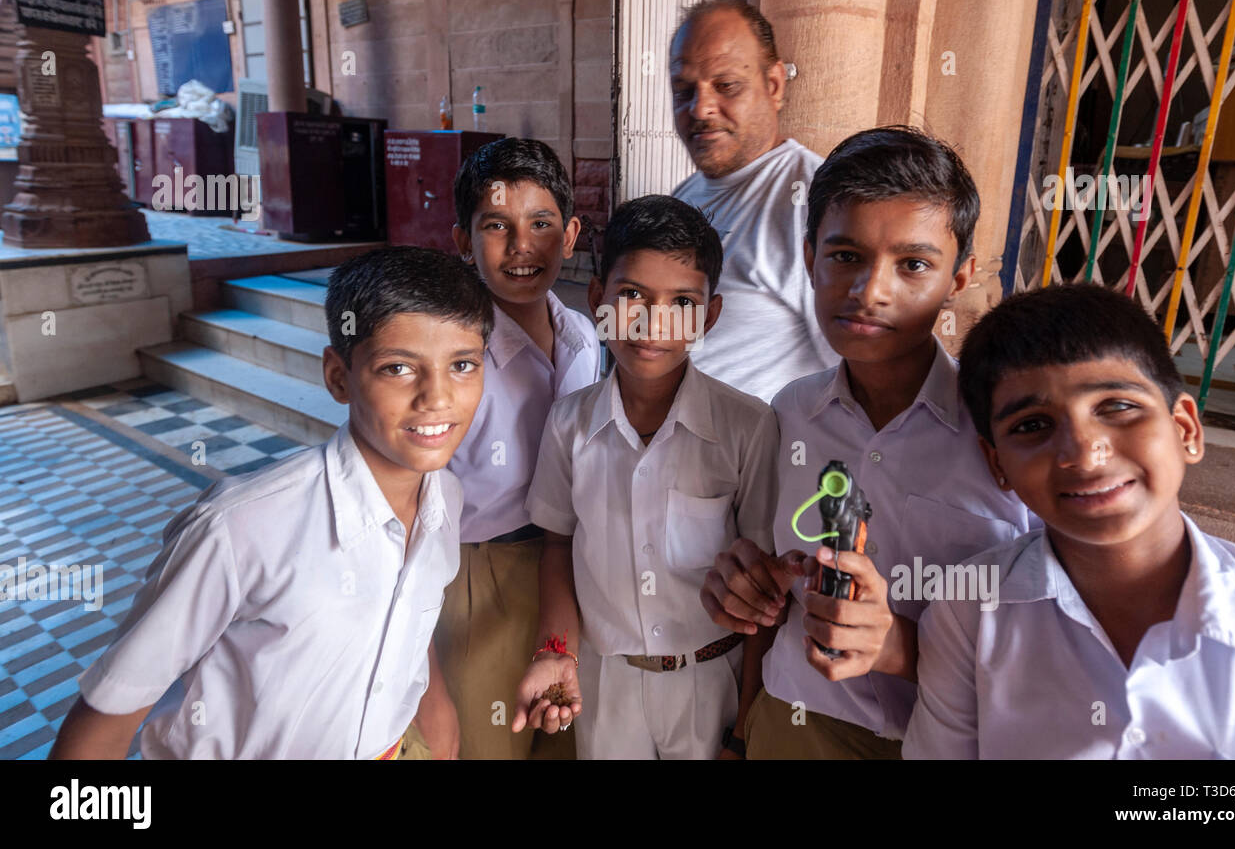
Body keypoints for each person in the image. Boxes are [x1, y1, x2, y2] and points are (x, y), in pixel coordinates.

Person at [48, 246, 492, 759]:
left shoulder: (446, 499)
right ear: (338, 377)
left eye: (462, 365)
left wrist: (437, 716)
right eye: (397, 369)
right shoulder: (240, 528)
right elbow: (107, 714)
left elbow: (406, 616)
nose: (437, 398)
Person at [699, 127, 1037, 759]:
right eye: (846, 256)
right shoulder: (791, 414)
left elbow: (1061, 635)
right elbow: (773, 592)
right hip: (792, 724)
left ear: (959, 276)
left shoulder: (1005, 433)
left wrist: (903, 646)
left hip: (943, 739)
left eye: (913, 264)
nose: (870, 291)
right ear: (808, 258)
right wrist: (751, 587)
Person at [904, 284, 1235, 759]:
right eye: (1032, 425)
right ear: (998, 467)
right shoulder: (968, 613)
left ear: (1186, 430)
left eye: (1117, 407)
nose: (1085, 454)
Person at [513, 195, 779, 759]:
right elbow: (558, 547)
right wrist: (556, 649)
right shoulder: (568, 424)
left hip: (713, 683)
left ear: (709, 317)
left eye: (682, 302)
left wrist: (744, 728)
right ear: (597, 299)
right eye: (631, 294)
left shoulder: (747, 428)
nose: (654, 323)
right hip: (609, 688)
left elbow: (765, 590)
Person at [440, 137, 600, 759]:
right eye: (496, 227)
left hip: (574, 571)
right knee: (490, 744)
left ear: (570, 235)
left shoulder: (583, 335)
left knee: (563, 742)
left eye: (541, 224)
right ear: (462, 241)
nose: (522, 246)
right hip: (481, 578)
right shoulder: (453, 352)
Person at [670, 0, 837, 401]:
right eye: (683, 90)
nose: (701, 108)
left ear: (774, 85)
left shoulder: (815, 201)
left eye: (726, 86)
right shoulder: (683, 197)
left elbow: (860, 379)